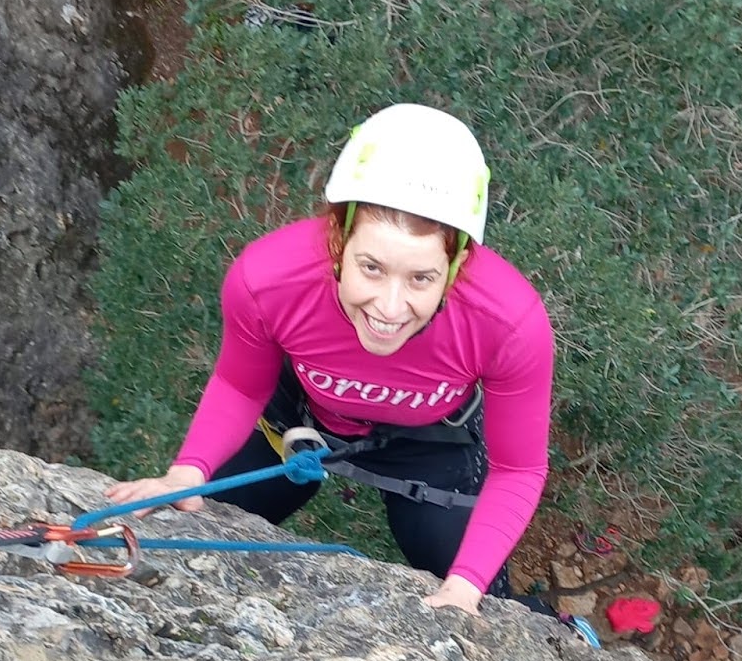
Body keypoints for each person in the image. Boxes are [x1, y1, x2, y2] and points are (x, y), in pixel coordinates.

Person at [104, 103, 554, 616]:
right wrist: (190, 469)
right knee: (196, 526)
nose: (389, 307)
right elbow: (240, 385)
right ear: (339, 240)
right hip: (299, 421)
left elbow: (518, 467)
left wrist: (466, 584)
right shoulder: (269, 280)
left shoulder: (508, 323)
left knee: (474, 593)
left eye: (421, 279)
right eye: (371, 267)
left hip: (429, 444)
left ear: (456, 265)